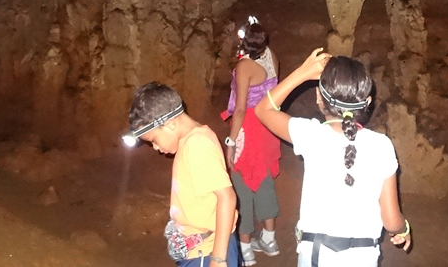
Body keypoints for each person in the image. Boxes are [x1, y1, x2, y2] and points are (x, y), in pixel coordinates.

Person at [254, 48, 412, 267]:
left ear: (319, 97)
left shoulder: (311, 135)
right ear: (367, 102)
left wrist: (302, 73)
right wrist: (403, 229)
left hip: (316, 255)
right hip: (363, 258)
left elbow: (263, 110)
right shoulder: (382, 145)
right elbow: (392, 221)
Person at [126, 82, 242, 267]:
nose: (155, 147)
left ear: (170, 124)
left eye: (153, 140)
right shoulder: (190, 142)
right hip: (200, 247)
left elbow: (227, 197)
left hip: (208, 251)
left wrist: (218, 259)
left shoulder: (197, 146)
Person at [221, 16, 282, 265]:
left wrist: (231, 142)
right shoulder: (272, 57)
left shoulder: (244, 67)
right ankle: (269, 239)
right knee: (265, 178)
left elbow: (240, 109)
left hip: (249, 128)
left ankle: (245, 247)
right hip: (269, 124)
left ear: (243, 42)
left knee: (241, 182)